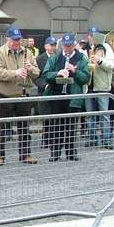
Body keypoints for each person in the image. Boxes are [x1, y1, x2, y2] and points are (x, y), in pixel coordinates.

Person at [0, 26, 40, 166]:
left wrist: (30, 69)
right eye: (14, 40)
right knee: (1, 127)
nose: (17, 43)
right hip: (4, 95)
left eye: (18, 40)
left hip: (23, 95)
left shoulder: (28, 53)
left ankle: (25, 155)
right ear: (7, 39)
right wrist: (16, 73)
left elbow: (37, 72)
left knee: (24, 127)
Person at [43, 33, 90, 161]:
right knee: (56, 126)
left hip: (73, 98)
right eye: (65, 46)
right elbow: (46, 75)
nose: (67, 48)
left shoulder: (81, 58)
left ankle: (71, 152)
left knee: (71, 127)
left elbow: (86, 78)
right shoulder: (55, 57)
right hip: (57, 97)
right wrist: (57, 73)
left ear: (74, 45)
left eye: (69, 46)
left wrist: (75, 71)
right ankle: (55, 153)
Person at [85, 43, 114, 148]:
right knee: (89, 116)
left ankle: (106, 140)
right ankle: (92, 139)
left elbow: (112, 66)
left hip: (102, 87)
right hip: (89, 87)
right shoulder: (89, 49)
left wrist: (99, 60)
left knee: (104, 115)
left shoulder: (107, 48)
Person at [33, 36, 57, 149]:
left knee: (55, 116)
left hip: (56, 90)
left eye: (54, 45)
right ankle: (46, 139)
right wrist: (44, 84)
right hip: (44, 91)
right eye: (51, 45)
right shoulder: (39, 59)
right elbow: (36, 77)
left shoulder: (58, 57)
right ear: (46, 46)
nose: (53, 47)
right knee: (46, 116)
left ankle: (54, 139)